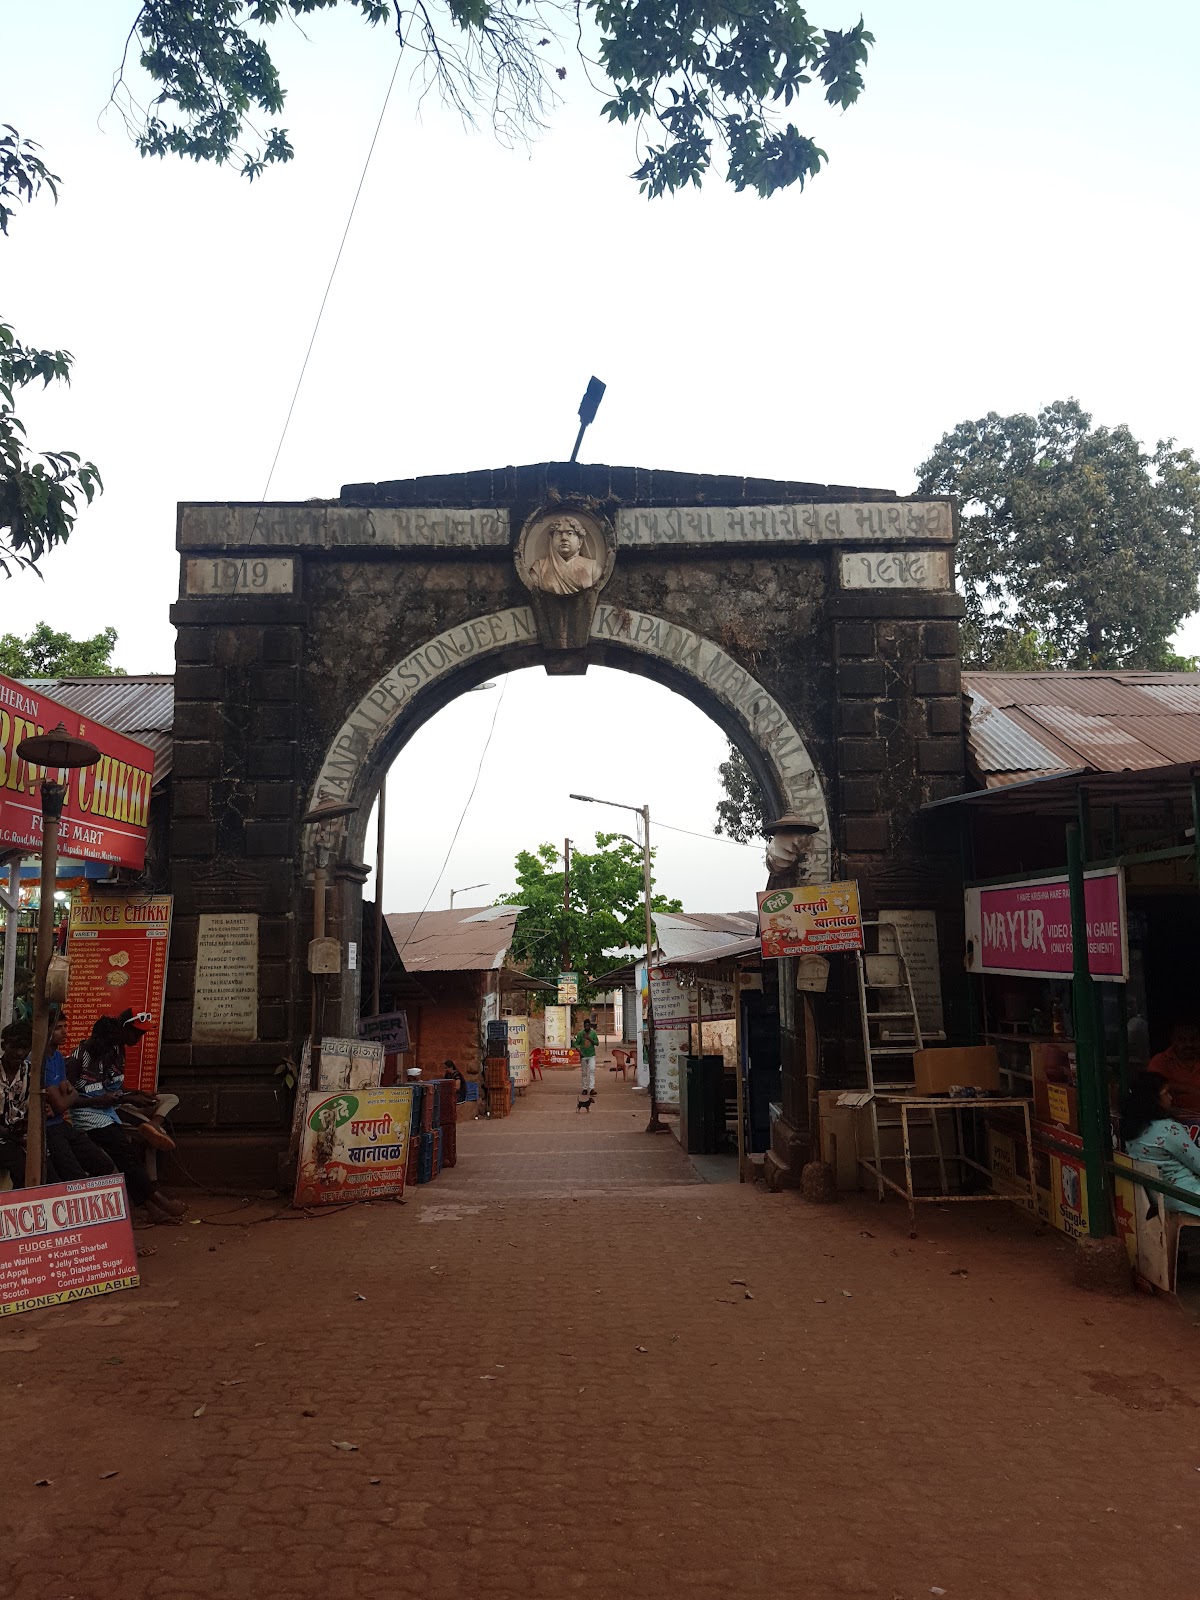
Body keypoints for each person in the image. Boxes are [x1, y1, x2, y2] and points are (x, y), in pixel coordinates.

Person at [67, 1012, 187, 1223]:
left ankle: (152, 1207)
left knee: (126, 1157)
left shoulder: (107, 1052)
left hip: (107, 1112)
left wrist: (130, 1095)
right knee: (126, 1155)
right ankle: (157, 1201)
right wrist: (101, 1101)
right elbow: (68, 1100)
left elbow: (109, 1088)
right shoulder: (79, 1057)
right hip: (89, 1115)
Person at [42, 1016, 116, 1183]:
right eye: (58, 1027)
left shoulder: (58, 1057)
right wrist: (64, 1100)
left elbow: (68, 1094)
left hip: (60, 1123)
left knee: (104, 1165)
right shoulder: (40, 1060)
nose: (65, 1032)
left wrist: (64, 1100)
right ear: (45, 1031)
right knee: (75, 1176)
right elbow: (62, 1102)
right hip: (48, 1128)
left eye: (65, 1026)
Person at [1121, 1071, 1200, 1217]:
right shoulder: (1167, 1130)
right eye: (1165, 1093)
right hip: (1185, 1195)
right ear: (1152, 1099)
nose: (1170, 1098)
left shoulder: (1131, 1127)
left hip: (1157, 1196)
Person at [528, 516, 601, 595]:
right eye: (559, 534)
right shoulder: (538, 568)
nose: (563, 538)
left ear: (580, 541)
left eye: (570, 533)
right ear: (552, 541)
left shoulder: (593, 568)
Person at [0, 1019, 31, 1186]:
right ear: (4, 1046)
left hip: (20, 1134)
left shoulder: (31, 1073)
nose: (20, 1053)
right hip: (4, 1137)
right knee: (22, 1167)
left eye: (25, 1048)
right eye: (15, 1047)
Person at [1146, 1022, 1200, 1116]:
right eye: (1182, 1040)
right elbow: (1153, 1085)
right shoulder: (1160, 1060)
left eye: (1193, 1039)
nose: (1189, 1044)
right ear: (1173, 1040)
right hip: (1171, 1120)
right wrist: (1189, 1089)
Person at [573, 1018, 599, 1100]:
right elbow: (576, 1044)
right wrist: (579, 1051)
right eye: (585, 1026)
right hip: (583, 1056)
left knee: (592, 1071)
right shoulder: (580, 1033)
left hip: (591, 1055)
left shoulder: (593, 1033)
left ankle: (591, 1089)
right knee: (584, 1073)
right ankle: (584, 1088)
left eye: (588, 1026)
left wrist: (589, 1038)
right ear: (584, 1026)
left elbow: (597, 1043)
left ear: (590, 1026)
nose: (587, 1027)